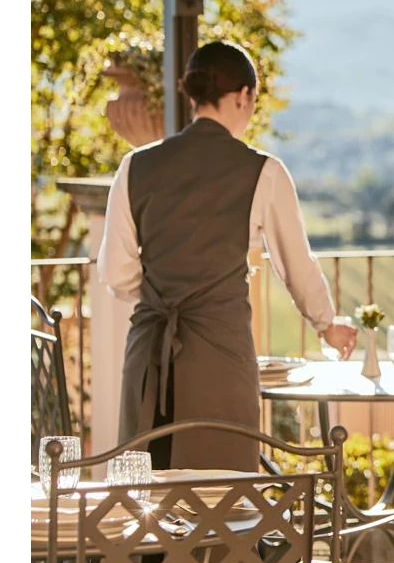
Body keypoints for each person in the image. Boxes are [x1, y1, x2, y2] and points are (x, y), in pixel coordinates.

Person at [98, 41, 356, 471]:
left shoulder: (135, 166)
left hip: (148, 355)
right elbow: (296, 263)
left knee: (145, 493)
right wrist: (327, 325)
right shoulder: (263, 171)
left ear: (193, 95)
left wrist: (167, 293)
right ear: (243, 95)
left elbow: (117, 273)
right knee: (219, 499)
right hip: (219, 356)